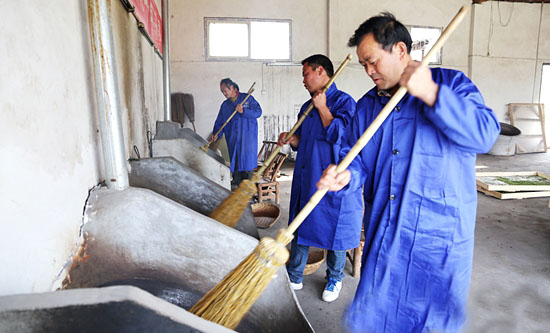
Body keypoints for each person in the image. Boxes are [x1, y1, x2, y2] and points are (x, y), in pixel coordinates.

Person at [316, 13, 500, 331]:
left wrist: (431, 94)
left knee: (431, 323)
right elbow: (355, 159)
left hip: (439, 244)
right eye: (363, 65)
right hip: (387, 237)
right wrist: (346, 175)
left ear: (400, 51)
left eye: (372, 61)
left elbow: (485, 135)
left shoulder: (451, 85)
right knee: (377, 318)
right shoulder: (367, 108)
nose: (369, 71)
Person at [278, 54, 363, 302]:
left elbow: (343, 136)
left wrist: (323, 107)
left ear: (321, 72)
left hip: (332, 179)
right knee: (301, 224)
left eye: (306, 73)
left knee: (334, 228)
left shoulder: (344, 102)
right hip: (307, 176)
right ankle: (295, 274)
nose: (303, 80)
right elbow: (305, 141)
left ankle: (334, 278)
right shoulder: (306, 107)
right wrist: (292, 140)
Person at [211, 78, 262, 188]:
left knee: (247, 165)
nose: (224, 94)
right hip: (233, 139)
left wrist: (244, 111)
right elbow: (220, 122)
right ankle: (237, 188)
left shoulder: (247, 99)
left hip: (247, 139)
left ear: (232, 88)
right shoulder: (225, 105)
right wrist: (216, 134)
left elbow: (258, 112)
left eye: (225, 90)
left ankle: (248, 193)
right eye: (222, 92)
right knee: (236, 163)